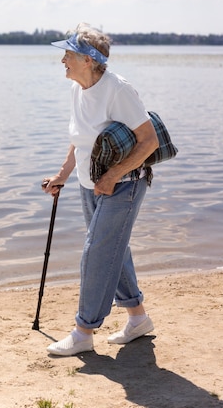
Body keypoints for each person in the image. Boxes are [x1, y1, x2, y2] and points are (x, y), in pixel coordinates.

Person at [42, 23, 159, 356]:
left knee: (96, 253)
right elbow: (79, 140)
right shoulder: (79, 89)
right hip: (88, 185)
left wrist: (111, 177)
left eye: (68, 54)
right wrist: (62, 175)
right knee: (113, 250)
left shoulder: (117, 90)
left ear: (88, 60)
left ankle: (83, 331)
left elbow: (148, 141)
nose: (62, 59)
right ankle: (137, 319)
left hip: (123, 186)